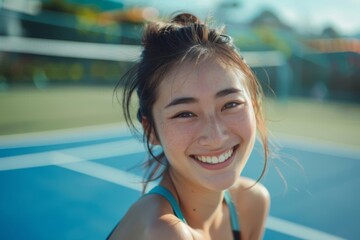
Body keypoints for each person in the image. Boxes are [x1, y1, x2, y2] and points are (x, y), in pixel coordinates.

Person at [108, 13, 270, 240]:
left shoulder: (252, 203)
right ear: (150, 130)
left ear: (254, 106)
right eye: (185, 113)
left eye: (231, 104)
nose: (215, 136)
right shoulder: (165, 232)